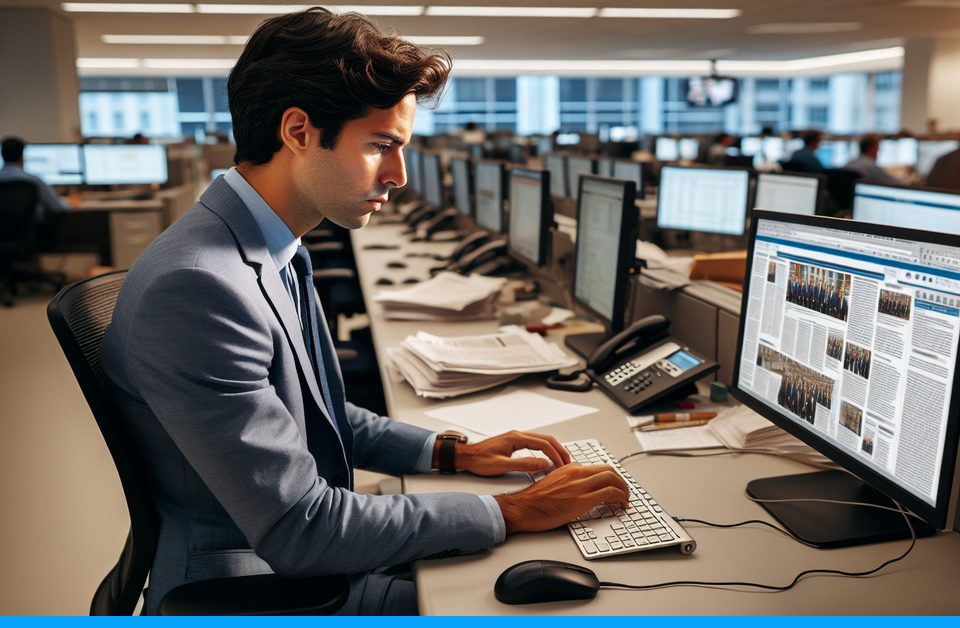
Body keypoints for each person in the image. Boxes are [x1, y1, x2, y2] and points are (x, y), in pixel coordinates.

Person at [99, 8, 628, 616]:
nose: (398, 175)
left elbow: (316, 414)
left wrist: (452, 452)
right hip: (256, 585)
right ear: (298, 131)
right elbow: (303, 529)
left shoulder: (266, 245)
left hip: (298, 550)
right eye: (381, 146)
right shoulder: (200, 285)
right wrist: (513, 510)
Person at [0, 136, 73, 226]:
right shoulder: (34, 181)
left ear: (2, 155)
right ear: (21, 156)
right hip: (26, 232)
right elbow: (58, 208)